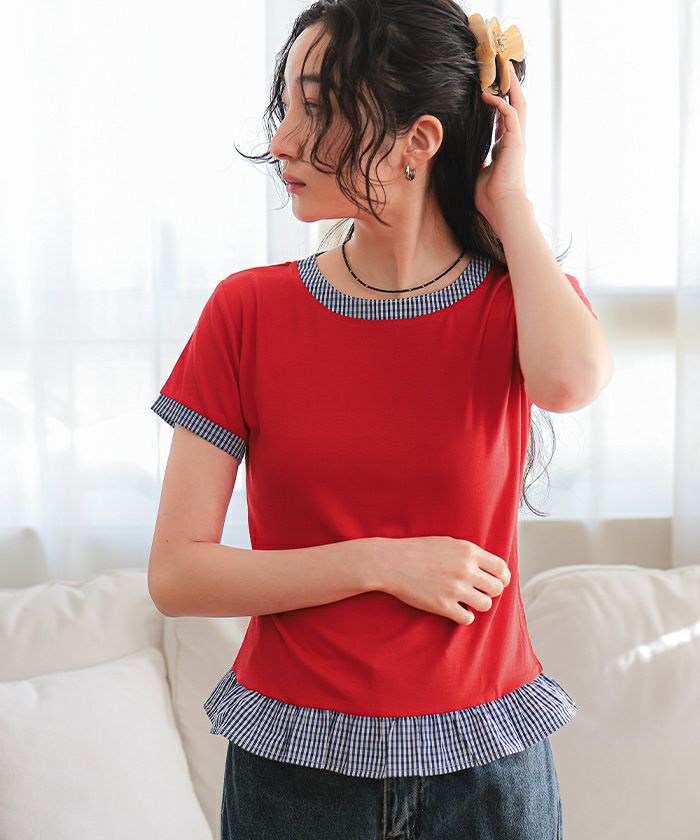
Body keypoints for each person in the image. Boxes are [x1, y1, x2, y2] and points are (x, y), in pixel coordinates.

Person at [148, 1, 609, 838]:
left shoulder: (513, 304)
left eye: (317, 109)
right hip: (294, 773)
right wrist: (379, 563)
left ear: (418, 141)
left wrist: (508, 200)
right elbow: (178, 576)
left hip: (486, 771)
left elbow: (572, 382)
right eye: (286, 107)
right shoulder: (246, 312)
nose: (282, 140)